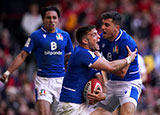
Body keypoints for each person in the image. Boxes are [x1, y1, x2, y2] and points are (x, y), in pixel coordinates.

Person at [0, 5, 73, 115]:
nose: (51, 20)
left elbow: (69, 57)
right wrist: (8, 72)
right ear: (43, 19)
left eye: (54, 18)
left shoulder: (65, 36)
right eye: (48, 18)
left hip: (61, 80)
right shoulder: (35, 36)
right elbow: (22, 56)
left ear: (58, 19)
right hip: (43, 81)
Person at [56, 25, 137, 115]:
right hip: (70, 106)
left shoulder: (93, 57)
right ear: (85, 41)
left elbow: (101, 85)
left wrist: (102, 95)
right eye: (94, 35)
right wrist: (129, 59)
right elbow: (111, 67)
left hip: (82, 106)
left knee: (105, 113)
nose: (99, 37)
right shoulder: (82, 53)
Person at [89, 11, 142, 115]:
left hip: (129, 83)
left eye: (107, 25)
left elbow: (122, 73)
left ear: (116, 28)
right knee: (95, 113)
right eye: (102, 24)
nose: (103, 28)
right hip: (112, 83)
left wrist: (100, 62)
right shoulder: (102, 39)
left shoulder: (127, 42)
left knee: (126, 112)